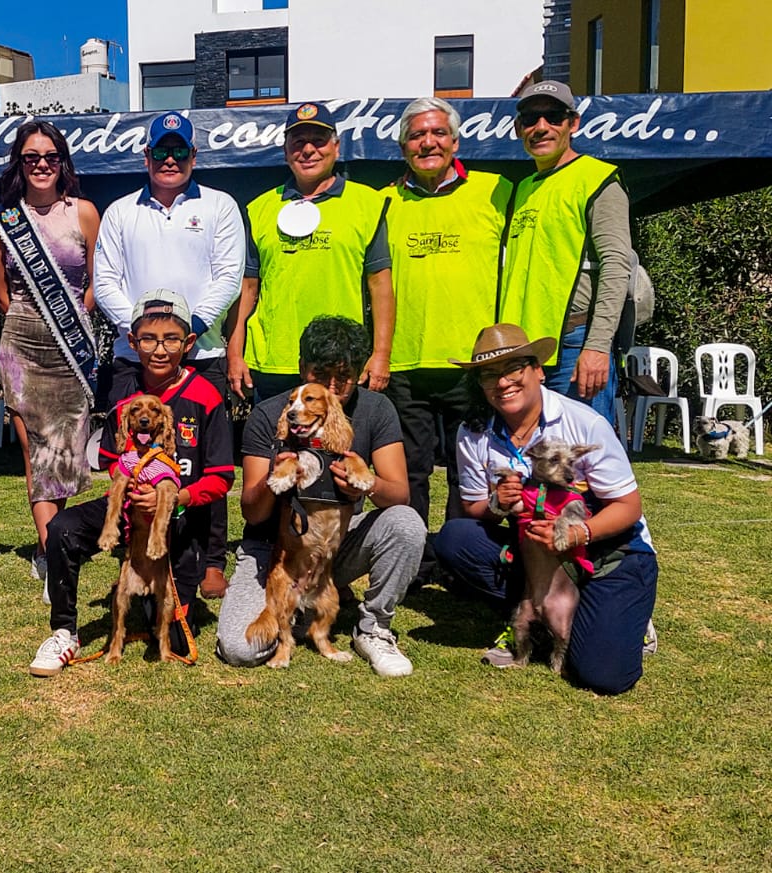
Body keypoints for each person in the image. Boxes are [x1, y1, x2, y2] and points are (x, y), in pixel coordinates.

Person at [432, 324, 658, 694]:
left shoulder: (584, 423)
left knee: (603, 676)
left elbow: (628, 507)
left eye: (513, 369)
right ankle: (543, 615)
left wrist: (577, 533)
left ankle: (622, 615)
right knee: (456, 538)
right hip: (534, 551)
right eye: (489, 375)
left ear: (538, 370)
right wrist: (496, 504)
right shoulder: (473, 432)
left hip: (608, 550)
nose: (502, 382)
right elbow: (473, 508)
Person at [29, 291, 233, 677]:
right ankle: (64, 630)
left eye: (171, 339)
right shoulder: (124, 392)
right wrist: (135, 491)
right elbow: (108, 458)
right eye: (149, 339)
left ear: (188, 343)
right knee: (61, 529)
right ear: (134, 342)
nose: (160, 349)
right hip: (125, 505)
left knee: (171, 637)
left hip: (180, 516)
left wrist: (175, 498)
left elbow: (221, 478)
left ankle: (158, 596)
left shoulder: (206, 397)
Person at [215, 316, 422, 677]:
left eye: (342, 376)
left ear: (359, 373)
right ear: (301, 369)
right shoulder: (270, 413)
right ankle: (293, 612)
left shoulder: (377, 409)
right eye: (319, 374)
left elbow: (399, 493)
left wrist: (364, 483)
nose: (330, 386)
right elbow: (252, 513)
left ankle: (374, 628)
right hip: (274, 549)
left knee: (406, 524)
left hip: (335, 544)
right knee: (239, 649)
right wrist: (275, 480)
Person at [92, 110, 244, 598]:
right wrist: (142, 335)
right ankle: (133, 549)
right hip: (133, 358)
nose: (170, 159)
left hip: (201, 353)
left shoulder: (220, 206)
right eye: (161, 151)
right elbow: (106, 282)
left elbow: (228, 275)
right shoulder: (119, 211)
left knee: (205, 463)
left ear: (194, 157)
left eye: (180, 151)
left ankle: (212, 558)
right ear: (147, 157)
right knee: (129, 456)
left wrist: (190, 329)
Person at [382, 97, 513, 528]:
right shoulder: (382, 204)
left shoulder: (497, 192)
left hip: (471, 360)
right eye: (417, 135)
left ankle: (461, 556)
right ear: (403, 148)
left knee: (469, 471)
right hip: (404, 361)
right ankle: (414, 560)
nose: (428, 143)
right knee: (410, 471)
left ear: (455, 142)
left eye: (438, 133)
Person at [0, 119, 101, 594]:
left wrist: (70, 323)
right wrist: (34, 325)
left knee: (68, 454)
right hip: (22, 343)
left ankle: (56, 538)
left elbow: (94, 283)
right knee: (36, 451)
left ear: (62, 163)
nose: (41, 166)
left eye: (50, 157)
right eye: (31, 158)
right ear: (20, 164)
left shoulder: (85, 212)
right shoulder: (0, 220)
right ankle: (52, 551)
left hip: (72, 344)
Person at [228, 102, 394, 404]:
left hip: (338, 363)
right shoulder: (260, 208)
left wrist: (381, 355)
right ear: (286, 150)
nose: (308, 150)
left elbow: (380, 286)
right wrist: (235, 355)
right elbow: (247, 289)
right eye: (298, 142)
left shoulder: (367, 204)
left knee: (338, 448)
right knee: (275, 450)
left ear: (336, 146)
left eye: (318, 141)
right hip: (273, 361)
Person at [498, 81, 636, 427]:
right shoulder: (523, 189)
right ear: (518, 129)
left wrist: (597, 347)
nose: (540, 127)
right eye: (530, 118)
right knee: (538, 462)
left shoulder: (598, 180)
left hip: (575, 344)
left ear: (572, 123)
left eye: (553, 116)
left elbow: (617, 268)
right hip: (527, 348)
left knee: (584, 462)